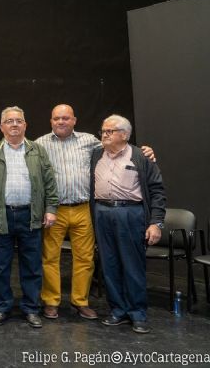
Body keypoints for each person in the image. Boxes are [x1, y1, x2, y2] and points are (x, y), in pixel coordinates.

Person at [36, 104, 155, 320]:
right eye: (56, 118)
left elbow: (118, 146)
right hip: (54, 210)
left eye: (65, 118)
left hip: (84, 209)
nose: (61, 122)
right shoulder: (40, 144)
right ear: (51, 121)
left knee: (85, 259)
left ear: (74, 120)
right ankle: (51, 302)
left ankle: (80, 302)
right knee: (50, 258)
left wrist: (144, 151)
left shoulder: (90, 141)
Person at [0, 106, 58, 328]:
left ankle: (31, 308)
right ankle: (2, 307)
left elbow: (50, 183)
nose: (14, 124)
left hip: (31, 216)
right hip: (1, 216)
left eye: (18, 121)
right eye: (9, 121)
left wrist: (51, 209)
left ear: (25, 125)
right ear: (1, 126)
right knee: (0, 266)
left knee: (32, 266)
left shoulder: (37, 151)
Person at [91, 114, 166, 334]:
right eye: (103, 131)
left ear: (124, 134)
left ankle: (138, 313)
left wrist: (156, 223)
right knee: (109, 265)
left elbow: (157, 191)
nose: (104, 135)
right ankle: (117, 310)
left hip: (130, 213)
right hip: (102, 212)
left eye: (109, 131)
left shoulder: (142, 156)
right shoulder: (96, 154)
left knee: (133, 266)